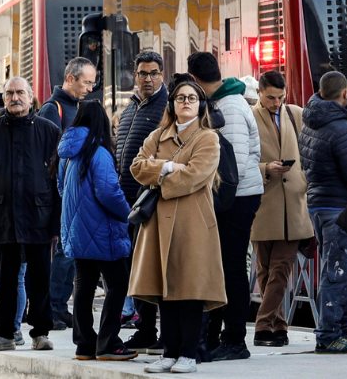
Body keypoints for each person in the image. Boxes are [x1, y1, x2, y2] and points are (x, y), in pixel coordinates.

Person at [129, 79, 226, 374]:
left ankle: (188, 353)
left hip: (193, 222)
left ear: (200, 105)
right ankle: (169, 351)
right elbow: (136, 167)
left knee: (190, 289)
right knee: (164, 290)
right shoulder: (158, 135)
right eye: (181, 98)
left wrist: (157, 170)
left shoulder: (208, 138)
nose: (186, 102)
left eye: (192, 98)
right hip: (158, 222)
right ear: (172, 104)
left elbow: (195, 175)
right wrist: (169, 167)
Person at [0, 76, 62, 352]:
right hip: (2, 217)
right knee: (5, 280)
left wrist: (57, 221)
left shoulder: (48, 131)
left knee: (40, 278)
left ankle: (41, 332)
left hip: (40, 216)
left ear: (31, 96)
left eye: (20, 92)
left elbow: (58, 181)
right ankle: (5, 334)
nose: (14, 98)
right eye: (9, 93)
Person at [186, 52, 264, 362]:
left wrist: (213, 196)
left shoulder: (229, 107)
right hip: (230, 197)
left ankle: (234, 339)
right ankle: (219, 336)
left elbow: (232, 167)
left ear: (195, 79)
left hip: (236, 199)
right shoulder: (222, 101)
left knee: (232, 269)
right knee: (223, 268)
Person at [299, 70, 347, 354]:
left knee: (337, 268)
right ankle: (330, 334)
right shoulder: (341, 128)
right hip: (339, 208)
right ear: (345, 93)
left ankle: (344, 331)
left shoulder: (310, 123)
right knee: (339, 272)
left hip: (318, 205)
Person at [59, 100, 137, 361]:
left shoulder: (69, 153)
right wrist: (127, 212)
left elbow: (61, 188)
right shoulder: (99, 152)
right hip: (102, 230)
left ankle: (84, 344)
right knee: (118, 284)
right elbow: (108, 192)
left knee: (84, 285)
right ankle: (108, 342)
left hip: (77, 229)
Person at [249, 70, 312, 348]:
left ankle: (262, 325)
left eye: (280, 97)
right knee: (264, 270)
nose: (276, 102)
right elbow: (242, 161)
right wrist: (266, 169)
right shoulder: (249, 117)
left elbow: (309, 150)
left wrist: (304, 179)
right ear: (260, 92)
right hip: (263, 203)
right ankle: (279, 325)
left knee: (281, 268)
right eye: (271, 97)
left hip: (294, 203)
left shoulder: (294, 114)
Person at [116, 51, 170, 353]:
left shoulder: (165, 107)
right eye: (142, 73)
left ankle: (159, 331)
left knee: (154, 270)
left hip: (149, 201)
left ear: (161, 74)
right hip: (126, 203)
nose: (147, 79)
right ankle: (145, 329)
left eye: (153, 73)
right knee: (135, 270)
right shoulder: (132, 107)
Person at [39, 56, 96, 330]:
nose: (89, 88)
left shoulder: (78, 107)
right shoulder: (54, 109)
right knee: (65, 252)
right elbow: (48, 157)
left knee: (70, 251)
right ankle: (54, 306)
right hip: (60, 195)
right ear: (70, 78)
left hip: (75, 193)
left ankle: (59, 305)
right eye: (86, 82)